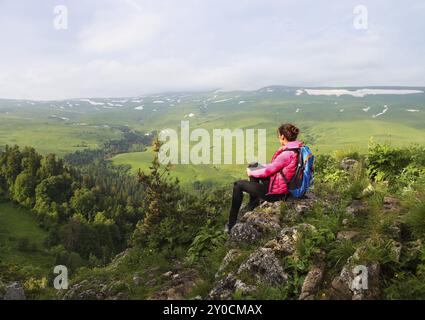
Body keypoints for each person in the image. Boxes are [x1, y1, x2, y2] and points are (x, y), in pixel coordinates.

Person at [227, 123, 302, 232]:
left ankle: (231, 224)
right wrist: (255, 168)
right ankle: (253, 203)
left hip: (278, 194)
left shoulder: (286, 154)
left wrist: (251, 173)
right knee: (254, 165)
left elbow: (268, 171)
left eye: (278, 135)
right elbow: (275, 166)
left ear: (282, 136)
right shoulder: (296, 148)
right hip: (285, 185)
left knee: (238, 185)